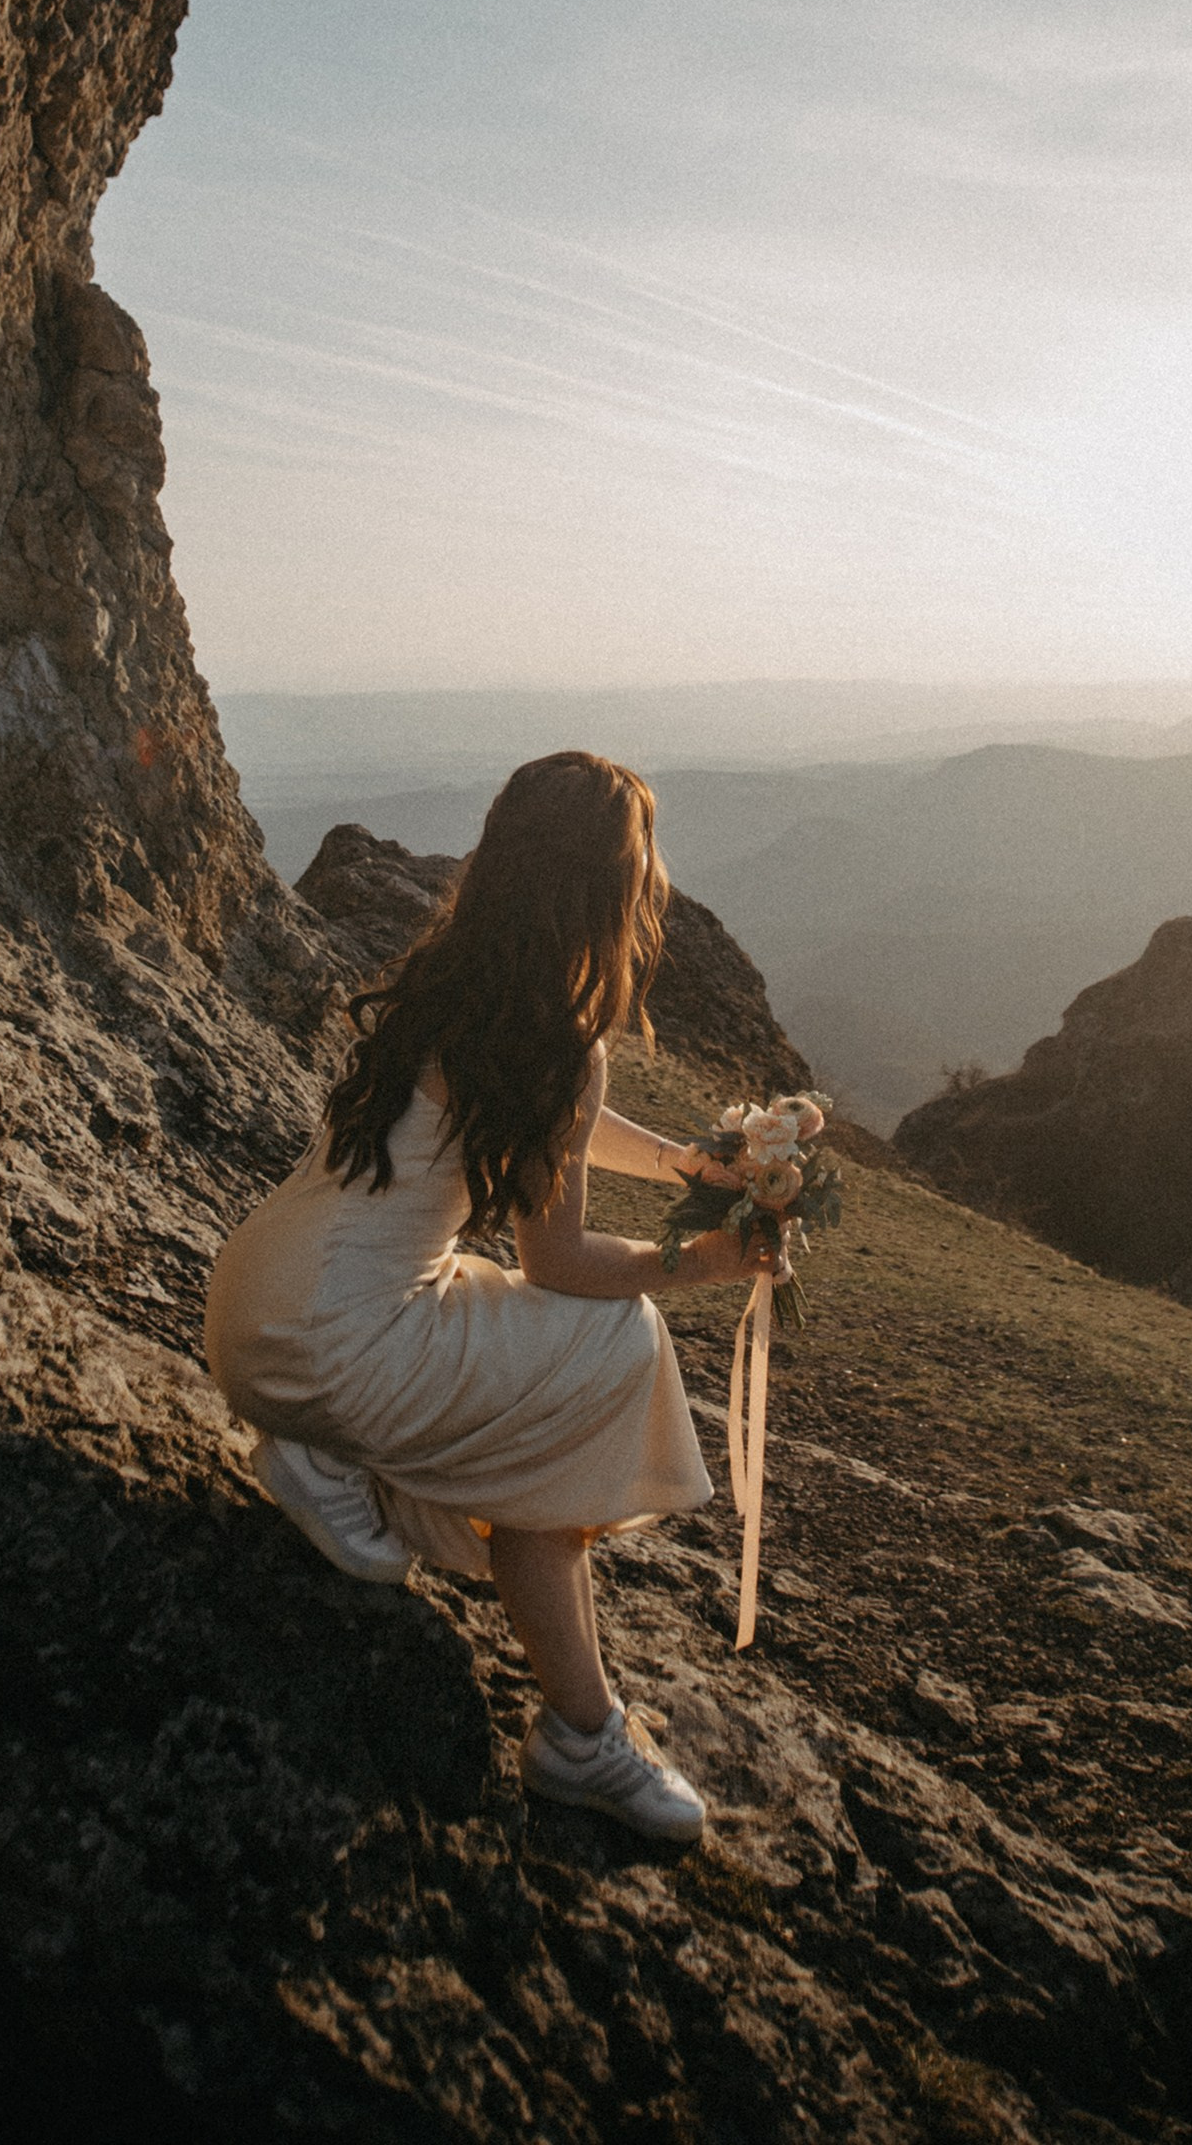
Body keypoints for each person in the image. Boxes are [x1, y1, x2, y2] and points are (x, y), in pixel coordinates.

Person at [204, 750, 781, 1845]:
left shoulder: (459, 982)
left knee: (530, 1326)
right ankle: (578, 1735)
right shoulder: (555, 1037)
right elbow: (558, 1261)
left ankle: (328, 1452)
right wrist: (698, 1265)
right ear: (606, 882)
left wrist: (685, 1170)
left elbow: (542, 1120)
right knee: (606, 1342)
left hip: (257, 1302)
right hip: (337, 1340)